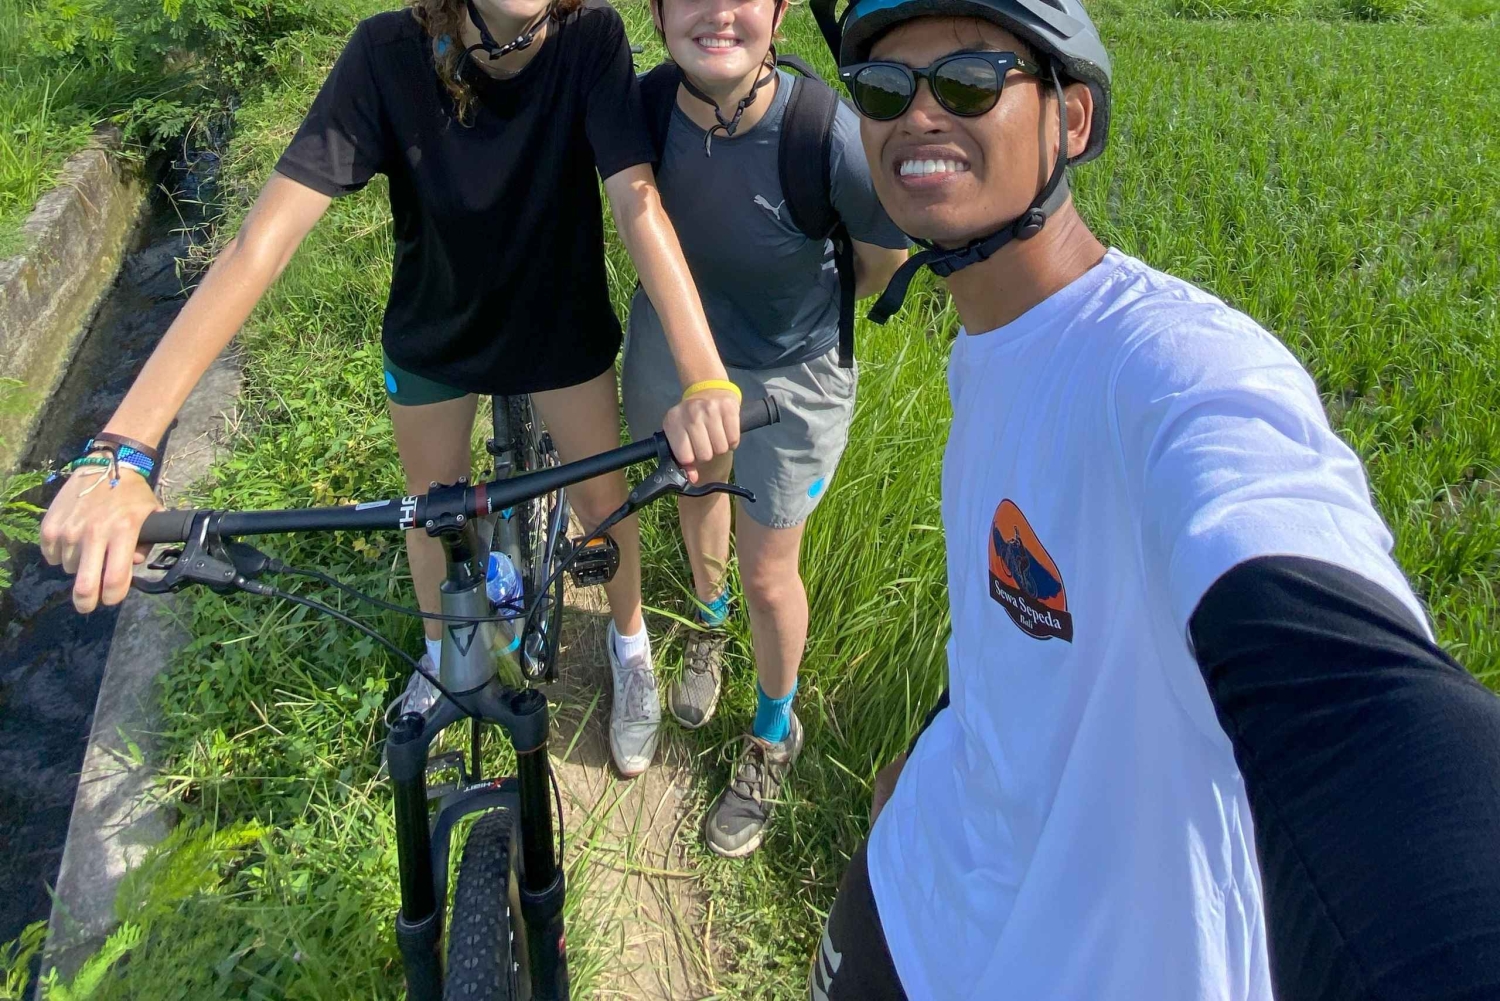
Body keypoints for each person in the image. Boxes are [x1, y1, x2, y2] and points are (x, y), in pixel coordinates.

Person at [804, 0, 1500, 997]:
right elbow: (1021, 632)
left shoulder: (1173, 371)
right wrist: (930, 754)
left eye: (965, 79)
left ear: (1071, 120)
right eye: (882, 88)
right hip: (918, 897)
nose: (917, 113)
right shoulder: (992, 345)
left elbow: (1366, 710)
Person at [37, 0, 744, 780]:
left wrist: (705, 373)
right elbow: (259, 245)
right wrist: (122, 450)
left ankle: (630, 642)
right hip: (436, 332)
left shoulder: (592, 38)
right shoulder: (385, 52)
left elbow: (634, 200)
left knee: (602, 506)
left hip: (556, 326)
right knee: (431, 506)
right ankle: (446, 655)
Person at [623, 0, 908, 857]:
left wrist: (792, 325)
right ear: (657, 11)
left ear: (780, 13)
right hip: (674, 350)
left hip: (794, 373)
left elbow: (879, 260)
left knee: (769, 569)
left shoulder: (824, 132)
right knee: (695, 498)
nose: (718, 12)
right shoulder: (639, 111)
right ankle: (707, 632)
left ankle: (774, 729)